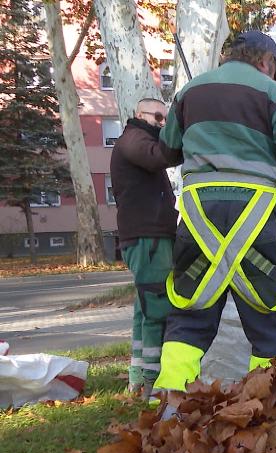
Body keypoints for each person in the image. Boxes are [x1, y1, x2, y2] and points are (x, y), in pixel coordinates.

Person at [152, 30, 276, 396]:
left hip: (197, 218)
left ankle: (165, 414)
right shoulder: (275, 94)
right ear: (266, 62)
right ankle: (268, 410)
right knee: (267, 319)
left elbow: (167, 152)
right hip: (256, 217)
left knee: (190, 317)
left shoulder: (189, 93)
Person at [109, 98, 179, 397]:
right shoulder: (134, 139)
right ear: (139, 115)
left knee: (144, 307)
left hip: (145, 237)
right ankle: (155, 383)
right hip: (148, 238)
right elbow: (157, 157)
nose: (163, 124)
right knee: (158, 310)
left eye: (167, 119)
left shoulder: (134, 139)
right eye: (159, 117)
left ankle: (138, 376)